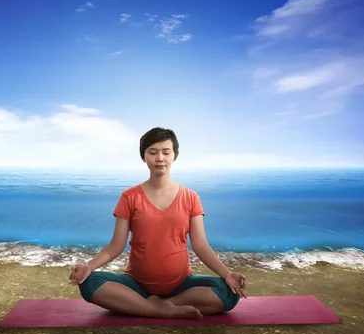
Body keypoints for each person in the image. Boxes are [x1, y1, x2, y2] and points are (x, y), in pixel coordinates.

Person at [68, 127, 247, 319]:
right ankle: (160, 310)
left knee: (228, 292)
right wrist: (89, 266)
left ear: (174, 156)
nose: (159, 158)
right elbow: (115, 246)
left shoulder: (191, 197)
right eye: (152, 152)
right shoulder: (129, 197)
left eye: (166, 152)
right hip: (136, 284)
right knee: (89, 282)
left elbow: (201, 245)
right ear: (144, 157)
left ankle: (151, 306)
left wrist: (227, 274)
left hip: (182, 286)